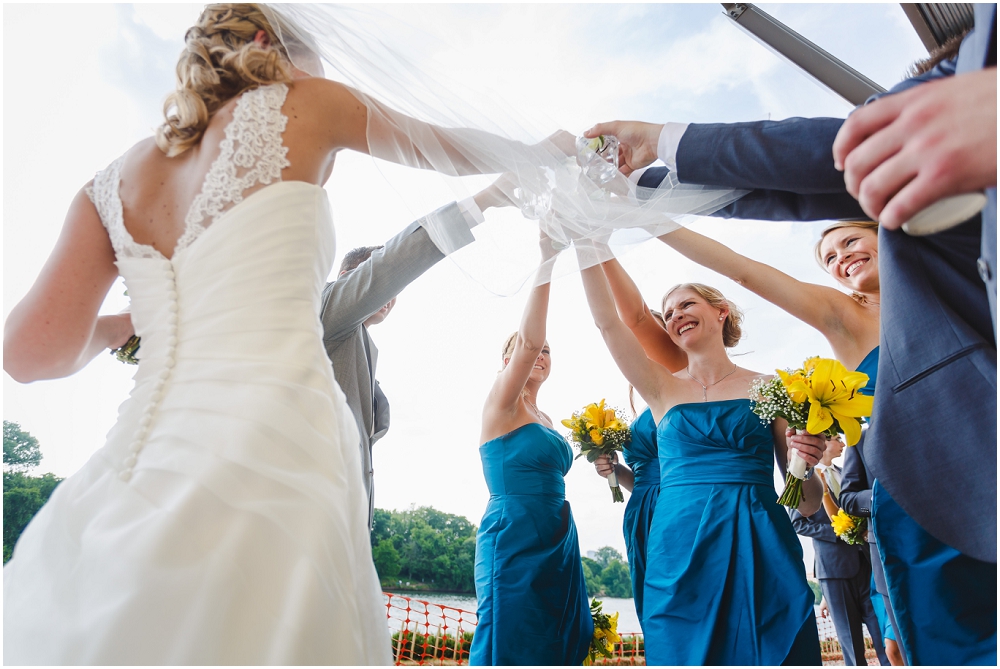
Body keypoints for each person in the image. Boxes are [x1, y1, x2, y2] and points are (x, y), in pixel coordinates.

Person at [1, 5, 532, 664]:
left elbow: (28, 353)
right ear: (264, 46)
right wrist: (545, 156)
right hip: (273, 443)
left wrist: (129, 323)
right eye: (315, 65)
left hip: (134, 463)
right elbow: (444, 145)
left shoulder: (107, 187)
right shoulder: (300, 102)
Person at [576, 252, 825, 664]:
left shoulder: (774, 388)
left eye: (687, 304)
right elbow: (608, 322)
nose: (675, 315)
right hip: (678, 540)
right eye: (669, 312)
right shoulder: (658, 388)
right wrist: (586, 241)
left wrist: (808, 464)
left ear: (721, 312)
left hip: (758, 538)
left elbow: (809, 501)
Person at [319, 179, 510, 528]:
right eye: (388, 287)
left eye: (397, 292)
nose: (391, 298)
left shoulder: (357, 343)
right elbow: (397, 260)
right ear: (349, 278)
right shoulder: (329, 307)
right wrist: (488, 199)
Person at [471, 235, 592, 666]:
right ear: (508, 361)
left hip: (558, 532)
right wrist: (548, 259)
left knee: (561, 634)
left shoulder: (548, 419)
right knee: (510, 630)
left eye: (547, 351)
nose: (540, 353)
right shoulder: (501, 404)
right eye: (531, 350)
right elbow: (526, 342)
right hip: (514, 531)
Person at [588, 259, 686, 631]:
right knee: (652, 605)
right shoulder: (640, 403)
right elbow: (643, 476)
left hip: (674, 503)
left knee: (677, 601)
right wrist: (615, 471)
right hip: (641, 509)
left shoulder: (685, 389)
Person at [790, 437, 887, 667]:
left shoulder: (846, 472)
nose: (843, 444)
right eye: (836, 439)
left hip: (866, 563)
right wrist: (839, 532)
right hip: (834, 572)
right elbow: (798, 523)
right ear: (822, 442)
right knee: (852, 645)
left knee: (882, 634)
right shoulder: (802, 477)